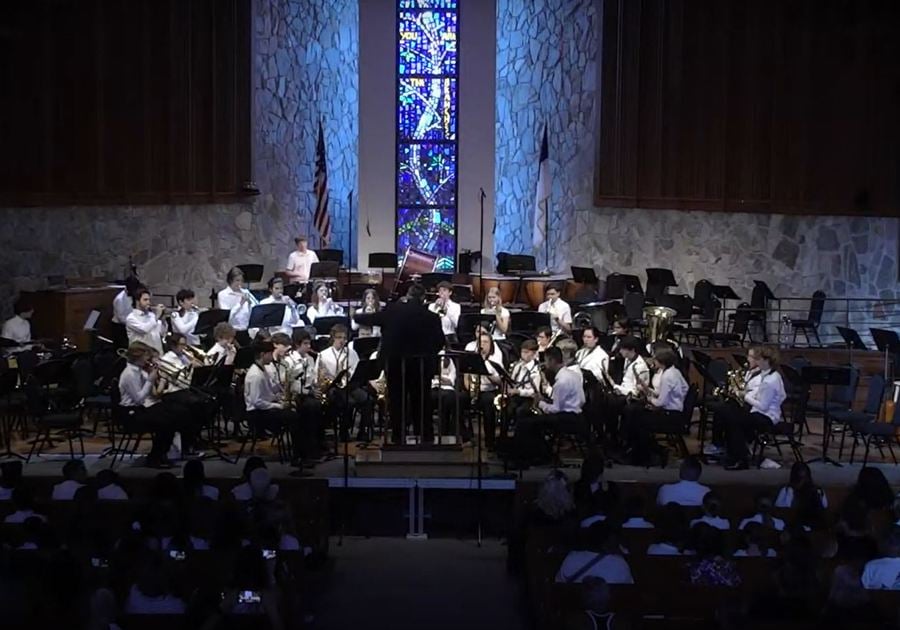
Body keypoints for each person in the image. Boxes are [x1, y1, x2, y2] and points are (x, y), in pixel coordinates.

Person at [353, 283, 445, 444]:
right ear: (423, 299)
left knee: (397, 402)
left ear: (408, 296)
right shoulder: (431, 317)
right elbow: (439, 342)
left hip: (395, 365)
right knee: (422, 402)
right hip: (421, 367)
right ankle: (425, 437)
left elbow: (370, 318)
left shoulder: (393, 311)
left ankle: (398, 437)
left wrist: (356, 316)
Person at [244, 340, 312, 468]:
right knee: (294, 418)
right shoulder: (255, 375)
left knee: (300, 413)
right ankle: (297, 457)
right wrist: (279, 405)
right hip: (257, 414)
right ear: (263, 354)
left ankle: (304, 453)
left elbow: (267, 393)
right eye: (270, 353)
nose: (272, 356)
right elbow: (257, 402)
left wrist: (280, 394)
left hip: (264, 409)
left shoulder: (263, 370)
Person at [513, 346, 586, 465]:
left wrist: (540, 403)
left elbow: (555, 410)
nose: (545, 364)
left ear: (552, 361)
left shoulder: (561, 381)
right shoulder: (573, 375)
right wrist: (544, 400)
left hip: (566, 419)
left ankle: (530, 457)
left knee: (525, 423)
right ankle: (540, 453)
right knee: (527, 416)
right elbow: (581, 400)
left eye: (546, 361)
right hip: (577, 415)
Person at [721, 346, 787, 470]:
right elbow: (782, 395)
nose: (756, 361)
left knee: (735, 421)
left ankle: (741, 459)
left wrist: (744, 395)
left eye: (759, 359)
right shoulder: (769, 375)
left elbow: (763, 406)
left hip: (766, 418)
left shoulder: (770, 380)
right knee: (729, 415)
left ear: (767, 360)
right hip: (759, 413)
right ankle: (733, 454)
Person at [625, 347, 688, 465]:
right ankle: (648, 451)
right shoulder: (675, 372)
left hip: (670, 416)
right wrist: (648, 389)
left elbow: (660, 403)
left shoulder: (667, 376)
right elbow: (683, 389)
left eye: (656, 360)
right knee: (638, 416)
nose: (654, 362)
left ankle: (648, 454)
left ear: (661, 362)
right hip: (676, 413)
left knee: (638, 422)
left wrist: (648, 398)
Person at [117, 342, 177, 468]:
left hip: (139, 409)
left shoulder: (138, 370)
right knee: (164, 423)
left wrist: (153, 374)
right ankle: (154, 458)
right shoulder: (129, 374)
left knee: (173, 415)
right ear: (137, 357)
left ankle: (161, 454)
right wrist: (150, 379)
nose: (148, 360)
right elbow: (139, 398)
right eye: (146, 357)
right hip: (130, 413)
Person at [316, 324, 374, 442]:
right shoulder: (324, 354)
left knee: (368, 400)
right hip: (334, 387)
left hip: (350, 386)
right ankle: (344, 431)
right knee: (349, 402)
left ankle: (363, 432)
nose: (342, 340)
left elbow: (358, 370)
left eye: (344, 338)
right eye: (339, 337)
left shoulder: (351, 353)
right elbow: (318, 375)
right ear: (333, 338)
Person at [157, 332, 209, 455]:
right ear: (173, 346)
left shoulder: (183, 356)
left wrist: (195, 361)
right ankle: (188, 444)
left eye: (185, 345)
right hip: (173, 393)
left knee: (207, 401)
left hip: (185, 390)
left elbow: (200, 369)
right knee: (193, 407)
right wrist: (191, 366)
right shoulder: (167, 359)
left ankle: (195, 437)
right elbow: (181, 378)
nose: (184, 348)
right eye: (182, 345)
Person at [284, 328, 325, 454]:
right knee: (312, 407)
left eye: (309, 343)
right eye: (306, 344)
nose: (309, 346)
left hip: (309, 392)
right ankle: (309, 447)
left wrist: (317, 386)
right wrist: (309, 392)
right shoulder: (289, 360)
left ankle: (319, 442)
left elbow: (312, 378)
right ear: (297, 345)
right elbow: (291, 384)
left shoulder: (310, 359)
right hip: (296, 395)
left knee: (323, 406)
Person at [602, 336, 650, 443]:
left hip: (633, 398)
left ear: (632, 350)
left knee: (611, 402)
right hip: (624, 391)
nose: (620, 351)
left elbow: (637, 391)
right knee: (604, 398)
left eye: (623, 349)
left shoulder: (640, 366)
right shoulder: (627, 360)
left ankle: (613, 435)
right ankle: (609, 433)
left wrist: (617, 388)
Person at [555, 522, 634, 584]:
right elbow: (629, 589)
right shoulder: (619, 563)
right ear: (607, 542)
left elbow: (559, 584)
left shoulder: (571, 558)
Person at [466, 332, 503, 450]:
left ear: (491, 345)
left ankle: (489, 442)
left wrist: (485, 370)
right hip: (473, 391)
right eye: (480, 342)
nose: (482, 345)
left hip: (488, 390)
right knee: (457, 399)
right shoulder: (472, 358)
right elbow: (466, 375)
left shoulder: (495, 360)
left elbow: (499, 381)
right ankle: (467, 438)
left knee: (488, 403)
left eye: (486, 342)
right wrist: (470, 390)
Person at [506, 339, 543, 423]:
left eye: (526, 352)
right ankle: (503, 434)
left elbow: (535, 391)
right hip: (516, 396)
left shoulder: (536, 370)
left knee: (521, 411)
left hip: (529, 399)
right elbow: (512, 380)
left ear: (534, 354)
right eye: (522, 352)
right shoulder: (518, 366)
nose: (523, 355)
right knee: (506, 408)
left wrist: (519, 392)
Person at [125, 287, 166, 354]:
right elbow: (144, 329)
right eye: (145, 300)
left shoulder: (152, 315)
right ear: (137, 301)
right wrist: (157, 316)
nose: (148, 302)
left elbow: (161, 332)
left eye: (149, 300)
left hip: (156, 353)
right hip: (141, 355)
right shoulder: (131, 318)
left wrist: (163, 319)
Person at [217, 267, 253, 339]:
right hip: (232, 333)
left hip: (246, 331)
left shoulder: (245, 292)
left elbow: (252, 313)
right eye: (237, 280)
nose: (240, 283)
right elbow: (227, 316)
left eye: (241, 281)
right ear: (230, 280)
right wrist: (240, 303)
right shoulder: (223, 294)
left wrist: (250, 304)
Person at [111, 275, 142, 348]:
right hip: (120, 327)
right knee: (124, 347)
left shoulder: (135, 295)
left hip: (132, 325)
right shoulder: (120, 299)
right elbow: (121, 318)